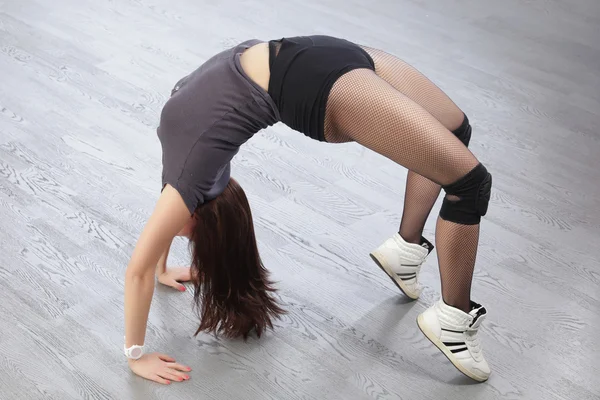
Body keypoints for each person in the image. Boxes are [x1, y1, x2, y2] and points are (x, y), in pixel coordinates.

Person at [123, 35, 493, 385]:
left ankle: (407, 252)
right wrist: (163, 266)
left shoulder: (188, 180)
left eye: (182, 232)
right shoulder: (181, 149)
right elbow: (164, 218)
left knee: (455, 138)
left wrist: (135, 355)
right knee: (466, 176)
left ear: (197, 214)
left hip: (317, 78)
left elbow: (135, 273)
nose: (172, 228)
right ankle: (454, 318)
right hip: (311, 53)